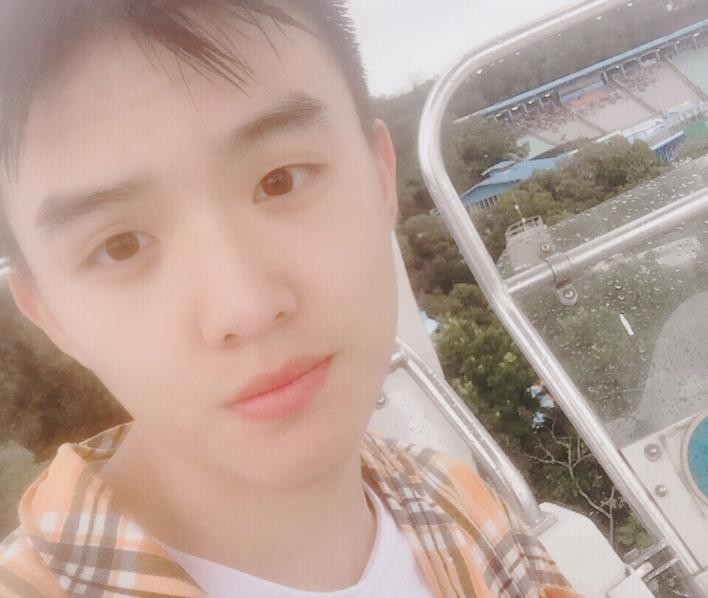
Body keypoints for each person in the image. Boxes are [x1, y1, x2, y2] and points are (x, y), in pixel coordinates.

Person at [0, 1, 578, 596]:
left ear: (381, 176)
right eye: (120, 246)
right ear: (50, 316)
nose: (245, 308)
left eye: (280, 181)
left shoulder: (464, 508)